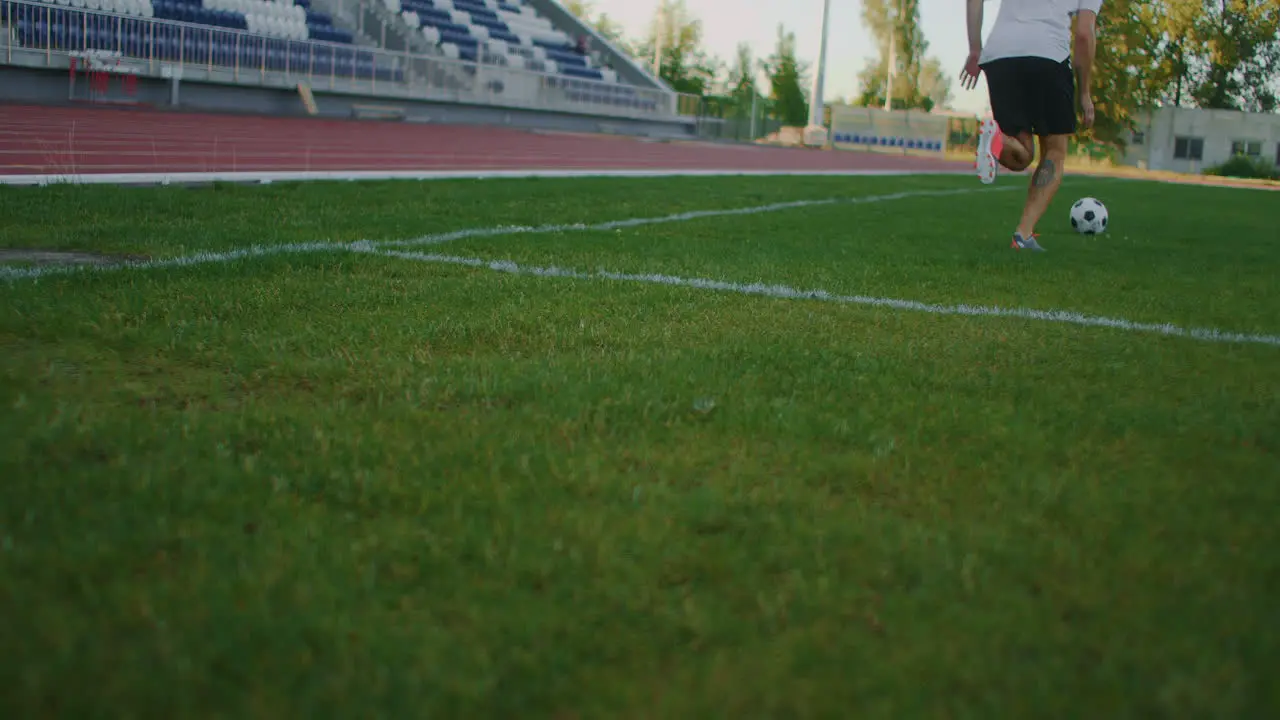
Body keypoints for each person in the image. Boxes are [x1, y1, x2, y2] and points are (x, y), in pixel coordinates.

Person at [960, 0, 1101, 252]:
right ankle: (1022, 235)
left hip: (999, 55)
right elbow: (1083, 34)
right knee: (1054, 153)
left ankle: (996, 141)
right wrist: (1085, 92)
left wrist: (974, 49)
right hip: (1047, 55)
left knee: (1021, 155)